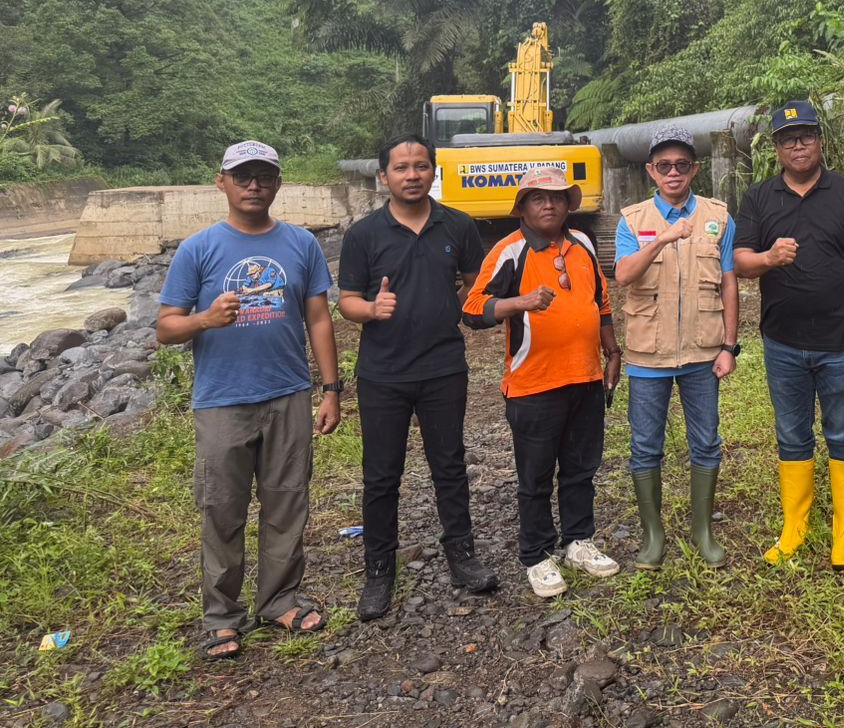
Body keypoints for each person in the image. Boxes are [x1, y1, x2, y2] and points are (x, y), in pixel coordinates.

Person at [156, 141, 342, 662]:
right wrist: (205, 319)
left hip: (289, 394)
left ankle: (279, 600)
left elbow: (318, 318)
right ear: (222, 182)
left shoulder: (301, 244)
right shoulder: (198, 249)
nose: (253, 185)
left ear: (278, 183)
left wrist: (331, 389)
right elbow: (165, 328)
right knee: (222, 508)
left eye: (264, 176)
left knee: (287, 501)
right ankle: (221, 616)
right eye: (243, 176)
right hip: (222, 400)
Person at [337, 135, 497, 622]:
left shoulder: (458, 225)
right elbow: (346, 302)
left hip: (443, 366)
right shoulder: (364, 234)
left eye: (421, 166)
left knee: (449, 464)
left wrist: (459, 304)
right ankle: (379, 570)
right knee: (381, 474)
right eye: (402, 167)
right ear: (383, 176)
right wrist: (371, 309)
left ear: (433, 171)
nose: (412, 175)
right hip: (382, 373)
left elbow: (475, 283)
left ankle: (462, 557)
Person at [734, 100, 844, 570]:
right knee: (791, 433)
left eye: (805, 136)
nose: (797, 145)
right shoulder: (759, 197)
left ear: (820, 141)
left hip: (841, 339)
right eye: (787, 139)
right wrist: (768, 258)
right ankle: (795, 527)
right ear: (776, 148)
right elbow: (740, 262)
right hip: (782, 341)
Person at [462, 169, 623, 597]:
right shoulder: (509, 251)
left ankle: (578, 541)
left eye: (557, 197)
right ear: (523, 208)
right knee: (535, 477)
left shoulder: (583, 243)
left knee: (581, 468)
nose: (549, 205)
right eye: (538, 198)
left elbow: (600, 301)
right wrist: (520, 302)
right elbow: (473, 309)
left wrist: (612, 352)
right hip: (534, 386)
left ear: (569, 205)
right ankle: (536, 554)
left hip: (585, 377)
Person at [614, 125, 739, 568]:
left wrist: (729, 346)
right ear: (651, 170)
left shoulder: (718, 217)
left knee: (706, 442)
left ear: (694, 169)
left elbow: (728, 283)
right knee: (645, 445)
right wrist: (663, 240)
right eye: (664, 165)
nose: (673, 172)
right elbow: (623, 275)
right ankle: (653, 535)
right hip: (648, 356)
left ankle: (702, 530)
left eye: (681, 164)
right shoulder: (632, 220)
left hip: (703, 353)